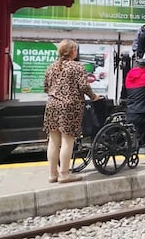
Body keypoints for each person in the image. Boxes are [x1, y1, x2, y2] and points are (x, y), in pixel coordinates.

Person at [43, 39, 102, 183]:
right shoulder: (77, 67)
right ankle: (64, 174)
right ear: (72, 51)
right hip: (70, 106)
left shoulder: (51, 67)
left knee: (53, 141)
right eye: (75, 49)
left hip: (52, 105)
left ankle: (52, 174)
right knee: (67, 140)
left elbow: (45, 87)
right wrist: (94, 97)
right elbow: (84, 86)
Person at [124, 58, 145, 149]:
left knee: (133, 133)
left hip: (131, 110)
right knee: (141, 138)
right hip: (143, 111)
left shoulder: (129, 75)